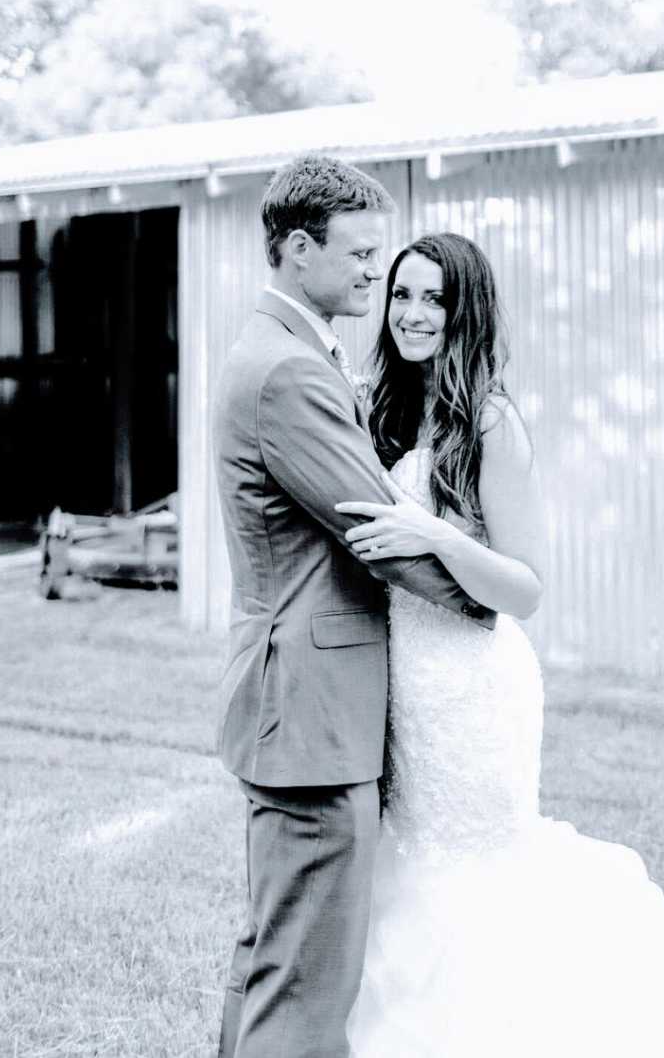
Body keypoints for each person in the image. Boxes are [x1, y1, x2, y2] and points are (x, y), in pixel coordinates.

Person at [333, 231, 664, 1057]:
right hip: (406, 684)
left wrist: (433, 533)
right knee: (413, 863)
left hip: (473, 684)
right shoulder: (380, 408)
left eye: (435, 299)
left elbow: (524, 588)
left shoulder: (490, 422)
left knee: (474, 870)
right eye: (401, 295)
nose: (413, 314)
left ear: (466, 313)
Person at [212, 160, 495, 1058]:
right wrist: (486, 607)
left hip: (302, 706)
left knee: (275, 960)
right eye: (362, 253)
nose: (377, 272)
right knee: (305, 989)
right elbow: (375, 527)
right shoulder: (288, 371)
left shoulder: (285, 350)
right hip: (312, 717)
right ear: (300, 251)